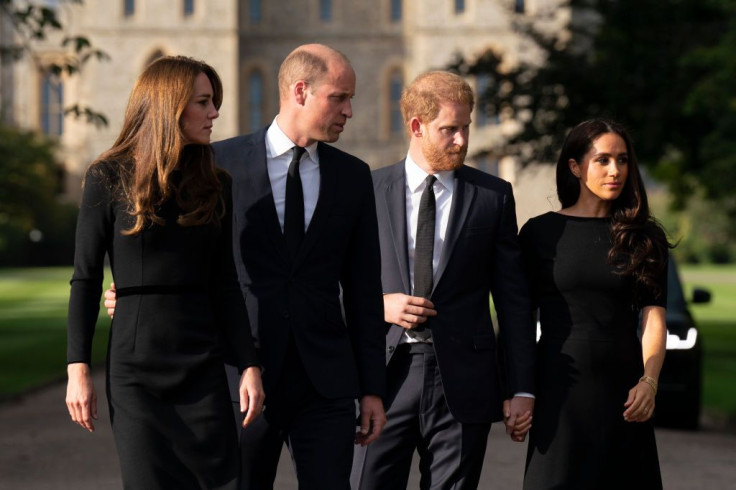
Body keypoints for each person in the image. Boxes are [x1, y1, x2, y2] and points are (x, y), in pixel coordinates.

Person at [106, 44, 387, 490]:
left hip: (327, 383)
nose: (350, 110)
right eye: (340, 97)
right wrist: (135, 291)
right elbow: (179, 257)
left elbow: (364, 292)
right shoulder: (218, 164)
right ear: (300, 91)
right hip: (242, 376)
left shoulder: (354, 176)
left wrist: (372, 388)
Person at [65, 56, 264, 489]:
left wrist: (248, 364)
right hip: (137, 372)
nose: (214, 113)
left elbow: (225, 282)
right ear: (169, 106)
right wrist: (77, 369)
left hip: (203, 365)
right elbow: (84, 279)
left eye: (214, 102)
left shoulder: (216, 184)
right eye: (204, 102)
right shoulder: (107, 176)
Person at [350, 71, 536, 490]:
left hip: (463, 380)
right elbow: (332, 280)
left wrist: (522, 386)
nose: (462, 140)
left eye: (465, 127)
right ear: (417, 126)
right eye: (449, 129)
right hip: (383, 376)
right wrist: (378, 305)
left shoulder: (494, 196)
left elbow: (514, 301)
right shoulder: (366, 189)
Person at [519, 119, 669, 489]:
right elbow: (520, 320)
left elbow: (653, 319)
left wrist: (649, 381)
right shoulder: (539, 233)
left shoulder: (645, 236)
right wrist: (519, 390)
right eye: (602, 160)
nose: (615, 170)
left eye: (622, 160)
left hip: (624, 390)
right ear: (575, 166)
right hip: (559, 387)